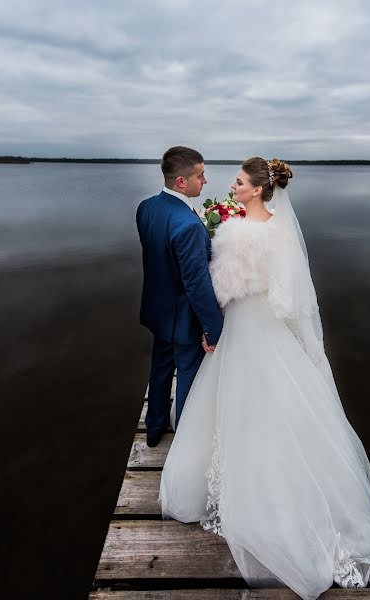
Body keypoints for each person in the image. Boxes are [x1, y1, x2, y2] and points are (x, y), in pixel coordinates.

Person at [159, 157, 370, 599]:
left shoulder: (233, 231)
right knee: (280, 397)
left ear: (258, 190)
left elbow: (223, 288)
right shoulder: (281, 233)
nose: (233, 185)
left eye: (240, 181)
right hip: (269, 324)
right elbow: (287, 298)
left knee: (233, 396)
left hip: (242, 325)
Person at [136, 146, 224, 447]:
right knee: (188, 376)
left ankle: (154, 427)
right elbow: (196, 285)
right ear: (181, 183)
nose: (206, 182)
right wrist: (213, 328)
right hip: (185, 320)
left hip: (156, 311)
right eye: (201, 176)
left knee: (160, 368)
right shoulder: (188, 225)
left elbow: (159, 258)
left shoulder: (146, 208)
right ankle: (185, 443)